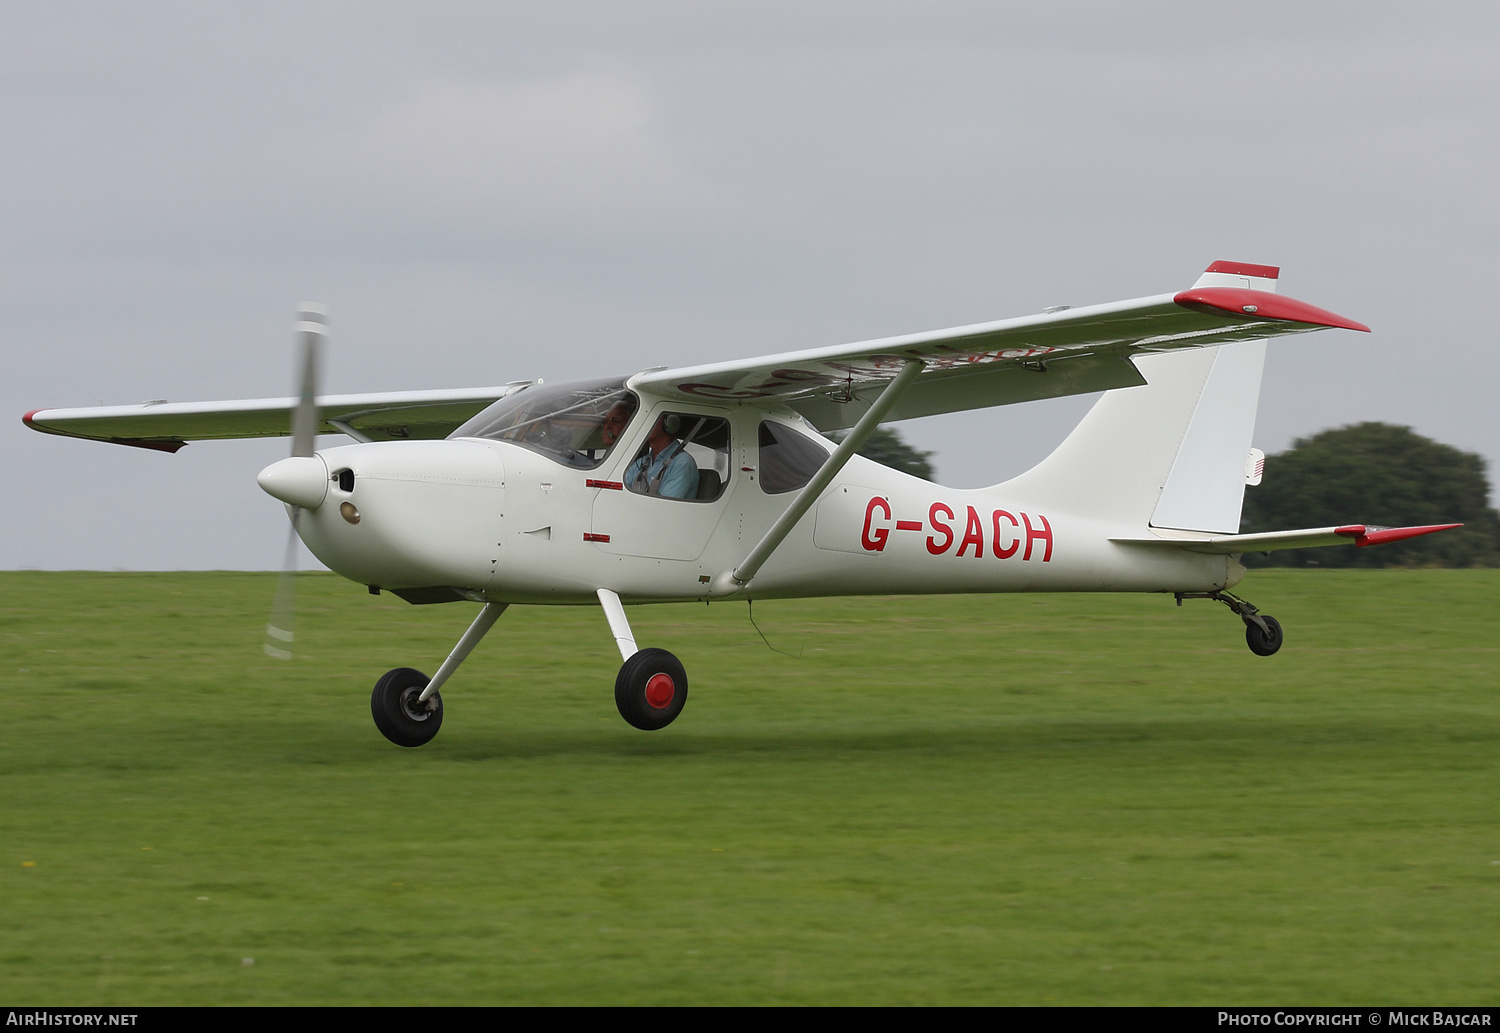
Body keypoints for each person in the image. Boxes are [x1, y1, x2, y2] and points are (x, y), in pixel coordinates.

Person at [625, 414, 699, 499]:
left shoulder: (682, 463)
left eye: (650, 417)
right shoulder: (642, 462)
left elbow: (664, 507)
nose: (644, 423)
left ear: (669, 423)